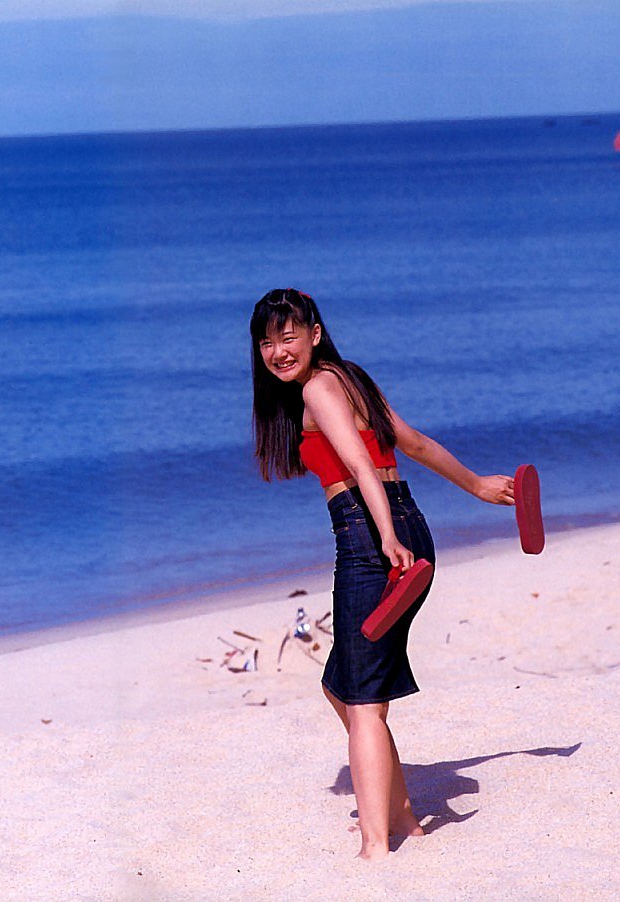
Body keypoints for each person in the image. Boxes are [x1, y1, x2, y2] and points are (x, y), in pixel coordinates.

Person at [249, 288, 515, 860]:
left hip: (371, 535)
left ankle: (376, 846)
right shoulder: (351, 378)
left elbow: (360, 464)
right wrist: (476, 485)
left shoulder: (318, 388)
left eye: (288, 337)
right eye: (266, 343)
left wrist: (386, 537)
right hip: (408, 525)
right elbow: (412, 442)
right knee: (339, 685)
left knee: (364, 702)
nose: (278, 352)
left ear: (314, 334)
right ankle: (400, 816)